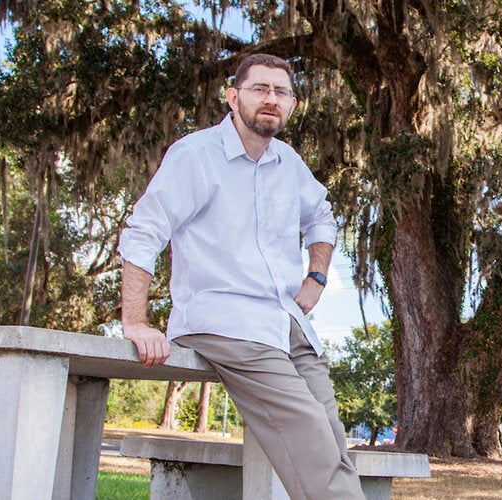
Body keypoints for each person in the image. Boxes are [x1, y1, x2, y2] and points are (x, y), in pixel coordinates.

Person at [118, 53, 365, 499]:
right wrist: (135, 321)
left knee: (331, 435)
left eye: (281, 92)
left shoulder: (288, 162)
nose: (271, 99)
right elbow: (143, 231)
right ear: (233, 98)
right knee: (308, 431)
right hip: (224, 321)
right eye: (260, 89)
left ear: (292, 105)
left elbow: (322, 217)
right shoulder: (196, 155)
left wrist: (317, 277)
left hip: (285, 320)